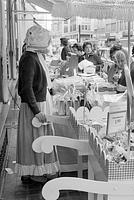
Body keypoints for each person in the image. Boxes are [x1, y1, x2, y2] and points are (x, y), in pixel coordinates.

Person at [16, 25, 59, 184]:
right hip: (34, 107)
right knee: (36, 140)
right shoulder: (29, 58)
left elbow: (36, 82)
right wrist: (36, 111)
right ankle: (35, 171)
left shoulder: (34, 56)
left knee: (36, 140)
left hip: (37, 104)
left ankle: (35, 171)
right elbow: (26, 88)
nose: (48, 45)